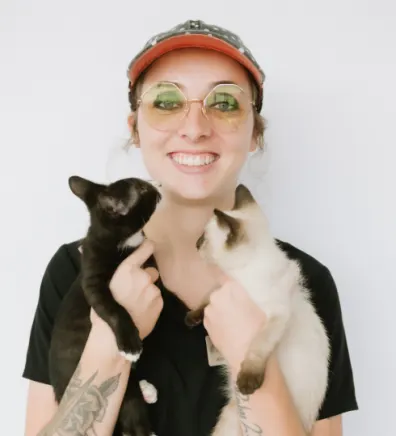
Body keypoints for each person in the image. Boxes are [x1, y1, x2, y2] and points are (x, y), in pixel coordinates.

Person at [23, 19, 358, 436]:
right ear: (135, 130)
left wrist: (252, 357)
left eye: (224, 103)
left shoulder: (302, 283)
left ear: (255, 132)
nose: (196, 128)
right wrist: (110, 341)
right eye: (165, 101)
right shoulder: (74, 270)